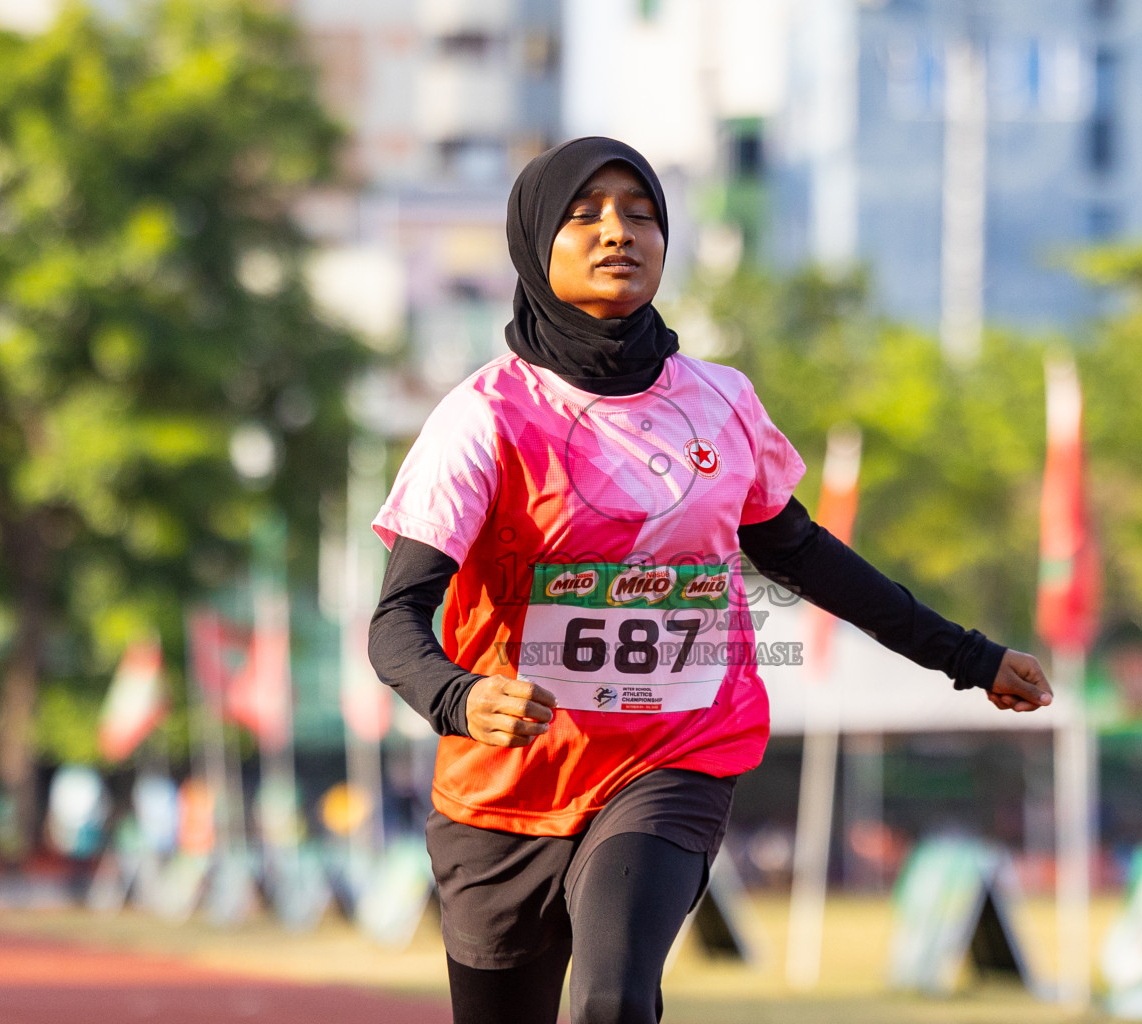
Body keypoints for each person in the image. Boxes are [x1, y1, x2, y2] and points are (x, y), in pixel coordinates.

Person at [368, 137, 1052, 1024]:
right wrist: (459, 698)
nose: (620, 233)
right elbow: (396, 620)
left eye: (642, 213)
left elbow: (805, 556)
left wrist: (969, 655)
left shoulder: (719, 401)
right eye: (587, 215)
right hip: (509, 783)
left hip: (674, 753)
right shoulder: (482, 419)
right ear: (534, 242)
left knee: (612, 1001)